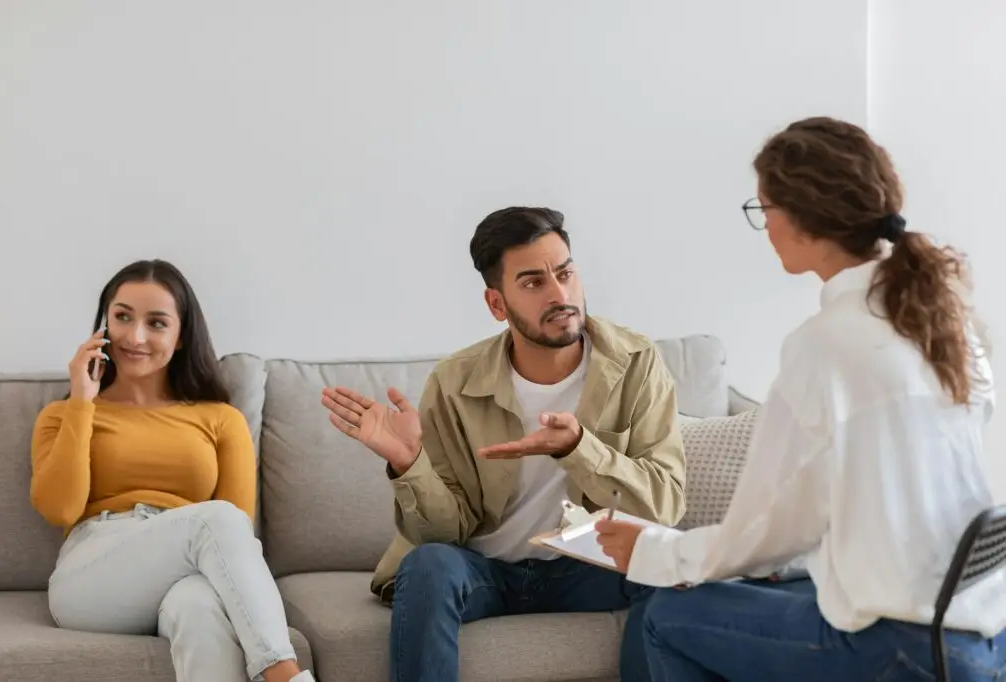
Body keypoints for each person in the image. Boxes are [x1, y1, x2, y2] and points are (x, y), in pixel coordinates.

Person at [595, 116, 1006, 681]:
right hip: (980, 637)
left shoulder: (827, 344)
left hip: (898, 647)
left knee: (667, 616)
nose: (764, 227)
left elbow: (762, 532)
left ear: (802, 219)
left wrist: (654, 550)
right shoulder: (947, 320)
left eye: (764, 210)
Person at [321, 207, 687, 682]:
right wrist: (410, 462)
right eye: (533, 282)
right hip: (487, 571)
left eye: (565, 273)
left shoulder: (636, 362)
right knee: (428, 565)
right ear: (497, 304)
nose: (559, 294)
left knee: (666, 561)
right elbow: (445, 533)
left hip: (588, 569)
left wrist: (579, 447)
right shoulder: (455, 381)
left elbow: (667, 504)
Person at [30, 259, 314, 682]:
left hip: (189, 567)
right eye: (122, 317)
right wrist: (81, 402)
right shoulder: (64, 414)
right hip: (93, 575)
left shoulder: (220, 418)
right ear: (103, 324)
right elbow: (60, 509)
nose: (135, 336)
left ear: (182, 337)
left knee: (198, 607)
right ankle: (283, 672)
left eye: (156, 323)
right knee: (216, 519)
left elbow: (238, 531)